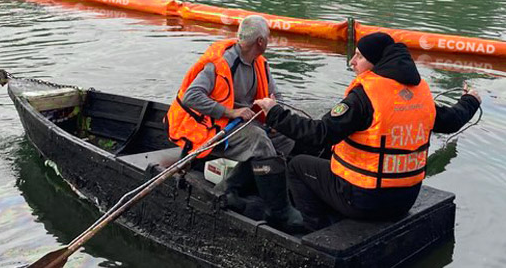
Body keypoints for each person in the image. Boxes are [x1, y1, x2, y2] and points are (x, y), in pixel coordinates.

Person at [253, 32, 482, 230]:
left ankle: (314, 229)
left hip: (364, 201)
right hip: (405, 200)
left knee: (297, 165)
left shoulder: (364, 97)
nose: (352, 61)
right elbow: (452, 120)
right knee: (327, 153)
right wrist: (471, 100)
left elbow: (319, 134)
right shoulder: (419, 95)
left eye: (359, 56)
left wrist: (275, 113)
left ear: (376, 63)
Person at [166, 15, 303, 232]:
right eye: (268, 37)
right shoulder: (222, 63)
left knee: (287, 136)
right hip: (211, 128)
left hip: (241, 124)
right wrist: (230, 111)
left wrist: (276, 113)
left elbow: (276, 94)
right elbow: (192, 96)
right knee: (259, 141)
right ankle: (279, 211)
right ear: (260, 41)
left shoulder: (260, 63)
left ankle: (229, 187)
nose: (269, 41)